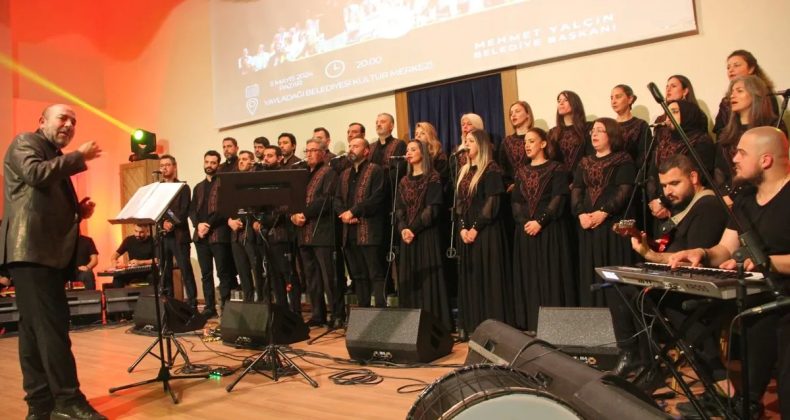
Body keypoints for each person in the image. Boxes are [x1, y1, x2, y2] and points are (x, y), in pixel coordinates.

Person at [669, 127, 790, 418]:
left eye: (741, 153)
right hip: (757, 302)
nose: (733, 158)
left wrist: (767, 263)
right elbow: (725, 248)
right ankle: (745, 402)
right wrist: (703, 253)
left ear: (766, 160)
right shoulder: (746, 199)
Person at [0, 103, 106, 419]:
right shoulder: (25, 141)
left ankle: (40, 404)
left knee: (34, 330)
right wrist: (79, 157)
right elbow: (34, 174)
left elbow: (41, 196)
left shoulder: (53, 155)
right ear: (42, 121)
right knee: (52, 329)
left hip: (40, 252)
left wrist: (78, 211)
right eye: (63, 118)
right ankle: (68, 401)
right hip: (32, 250)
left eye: (73, 121)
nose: (69, 125)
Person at [630, 154, 729, 389]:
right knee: (627, 293)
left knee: (646, 298)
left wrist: (650, 255)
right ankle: (646, 364)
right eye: (664, 185)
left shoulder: (708, 206)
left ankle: (715, 374)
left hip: (703, 289)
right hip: (684, 284)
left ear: (693, 177)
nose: (667, 191)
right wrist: (649, 252)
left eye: (674, 183)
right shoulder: (689, 207)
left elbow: (692, 262)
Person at [571, 118, 640, 375]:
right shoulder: (584, 162)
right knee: (592, 279)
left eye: (600, 130)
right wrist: (580, 213)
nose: (594, 134)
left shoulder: (623, 161)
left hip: (612, 229)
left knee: (615, 284)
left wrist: (603, 212)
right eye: (593, 130)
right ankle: (597, 342)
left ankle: (625, 345)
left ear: (612, 134)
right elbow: (577, 189)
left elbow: (623, 191)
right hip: (589, 229)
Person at [511, 128, 575, 332]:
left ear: (544, 144)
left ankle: (556, 326)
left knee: (551, 275)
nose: (527, 145)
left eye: (531, 141)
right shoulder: (521, 171)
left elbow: (558, 198)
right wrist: (526, 222)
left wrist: (540, 221)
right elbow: (516, 201)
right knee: (530, 276)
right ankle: (532, 323)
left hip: (550, 230)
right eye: (525, 142)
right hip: (526, 231)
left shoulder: (557, 169)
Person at [455, 129, 512, 337]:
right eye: (465, 141)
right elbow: (459, 205)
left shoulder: (491, 169)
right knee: (472, 278)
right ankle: (473, 326)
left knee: (489, 277)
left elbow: (492, 202)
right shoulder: (463, 171)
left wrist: (475, 228)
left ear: (481, 144)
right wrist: (462, 227)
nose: (467, 144)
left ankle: (494, 329)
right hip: (467, 233)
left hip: (486, 232)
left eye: (471, 141)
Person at [395, 140, 451, 330]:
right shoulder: (403, 180)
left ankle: (432, 324)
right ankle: (410, 325)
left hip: (426, 235)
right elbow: (400, 209)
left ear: (423, 153)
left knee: (429, 280)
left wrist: (413, 229)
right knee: (411, 279)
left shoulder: (432, 177)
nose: (409, 153)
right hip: (407, 237)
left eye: (413, 149)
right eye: (407, 150)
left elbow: (432, 208)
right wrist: (403, 228)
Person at [291, 139, 342, 327]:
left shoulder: (329, 172)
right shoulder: (303, 174)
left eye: (313, 150)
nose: (309, 154)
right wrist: (293, 215)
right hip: (303, 233)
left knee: (329, 277)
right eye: (308, 150)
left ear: (323, 153)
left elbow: (325, 200)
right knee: (312, 277)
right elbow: (293, 199)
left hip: (322, 233)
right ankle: (317, 314)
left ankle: (337, 314)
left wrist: (303, 213)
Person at [714, 75, 785, 204]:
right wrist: (724, 193)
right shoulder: (727, 132)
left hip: (760, 193)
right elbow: (719, 169)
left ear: (755, 95)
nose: (732, 96)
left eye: (739, 91)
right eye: (732, 92)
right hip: (728, 195)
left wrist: (734, 195)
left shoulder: (773, 126)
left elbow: (773, 169)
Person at [335, 137, 387, 308]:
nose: (351, 149)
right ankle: (364, 312)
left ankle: (381, 314)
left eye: (355, 146)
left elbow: (377, 198)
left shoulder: (376, 170)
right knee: (358, 275)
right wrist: (344, 213)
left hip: (369, 230)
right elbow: (337, 199)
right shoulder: (344, 174)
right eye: (350, 146)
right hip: (348, 232)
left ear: (366, 151)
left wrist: (354, 211)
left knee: (375, 273)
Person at [647, 100, 715, 224]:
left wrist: (663, 201)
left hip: (688, 206)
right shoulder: (663, 141)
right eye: (668, 113)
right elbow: (653, 173)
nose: (669, 116)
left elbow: (699, 175)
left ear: (688, 114)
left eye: (675, 112)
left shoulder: (700, 140)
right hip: (661, 207)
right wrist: (655, 201)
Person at [190, 150, 237, 318]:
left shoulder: (223, 184)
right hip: (201, 237)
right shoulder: (198, 187)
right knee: (206, 274)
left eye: (213, 163)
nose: (209, 165)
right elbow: (192, 210)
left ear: (218, 164)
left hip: (219, 235)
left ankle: (225, 306)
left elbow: (224, 209)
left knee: (223, 273)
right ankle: (209, 306)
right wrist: (198, 224)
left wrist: (208, 225)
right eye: (207, 162)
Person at [158, 154, 198, 309]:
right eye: (162, 165)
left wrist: (171, 222)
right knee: (165, 270)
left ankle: (192, 303)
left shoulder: (183, 187)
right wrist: (163, 223)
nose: (164, 168)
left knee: (185, 269)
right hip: (163, 235)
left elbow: (183, 210)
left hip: (179, 235)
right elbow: (157, 210)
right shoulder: (158, 188)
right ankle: (168, 303)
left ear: (174, 167)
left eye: (167, 165)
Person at [713, 50, 776, 135]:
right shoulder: (726, 101)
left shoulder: (766, 95)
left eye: (736, 65)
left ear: (751, 69)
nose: (731, 70)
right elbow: (720, 131)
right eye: (728, 67)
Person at [227, 151, 260, 302]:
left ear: (252, 162)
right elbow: (226, 207)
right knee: (242, 270)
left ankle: (261, 301)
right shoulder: (233, 183)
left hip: (251, 233)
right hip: (236, 234)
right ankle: (248, 301)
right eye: (240, 159)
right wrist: (229, 221)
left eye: (245, 159)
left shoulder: (255, 182)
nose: (241, 162)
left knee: (257, 269)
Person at [548, 90, 593, 177]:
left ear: (575, 103)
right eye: (559, 101)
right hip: (561, 180)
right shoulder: (552, 133)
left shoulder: (587, 128)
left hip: (582, 178)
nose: (561, 103)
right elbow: (552, 161)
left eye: (565, 100)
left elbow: (590, 157)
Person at [499, 101, 535, 190]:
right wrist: (509, 184)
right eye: (511, 113)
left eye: (517, 111)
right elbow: (502, 167)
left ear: (528, 114)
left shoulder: (537, 137)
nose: (513, 115)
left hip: (534, 185)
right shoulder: (506, 142)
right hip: (513, 190)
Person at [611, 84, 650, 164]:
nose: (613, 101)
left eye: (618, 97)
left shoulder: (641, 125)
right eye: (611, 98)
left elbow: (644, 155)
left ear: (630, 99)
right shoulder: (609, 125)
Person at [109, 224, 155, 289]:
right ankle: (120, 299)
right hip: (132, 271)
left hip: (148, 272)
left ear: (147, 231)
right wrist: (114, 262)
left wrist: (140, 262)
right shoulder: (128, 240)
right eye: (136, 231)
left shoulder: (153, 241)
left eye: (141, 232)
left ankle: (150, 298)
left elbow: (157, 259)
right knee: (117, 277)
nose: (137, 234)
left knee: (153, 277)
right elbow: (114, 256)